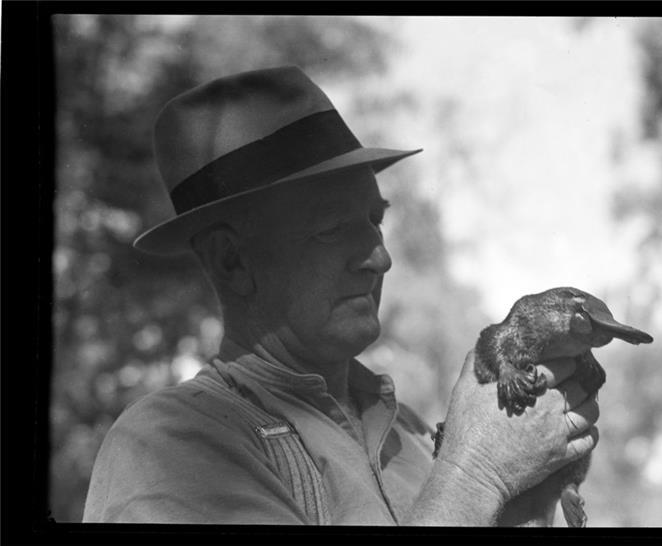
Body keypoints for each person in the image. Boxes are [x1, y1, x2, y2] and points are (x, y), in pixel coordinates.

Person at [83, 66, 600, 525]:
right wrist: (475, 474)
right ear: (231, 260)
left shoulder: (415, 435)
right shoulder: (167, 445)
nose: (380, 258)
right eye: (332, 229)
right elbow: (470, 482)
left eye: (375, 220)